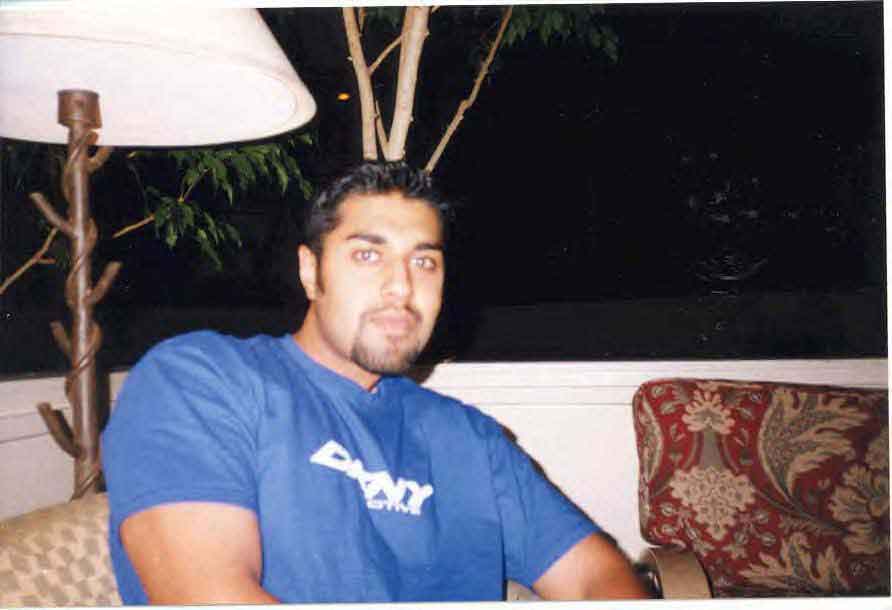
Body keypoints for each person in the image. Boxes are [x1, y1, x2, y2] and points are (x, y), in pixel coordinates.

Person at [102, 161, 649, 604]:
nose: (401, 287)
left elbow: (592, 577)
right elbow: (207, 595)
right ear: (310, 271)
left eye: (424, 263)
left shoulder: (470, 439)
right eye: (368, 255)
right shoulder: (202, 382)